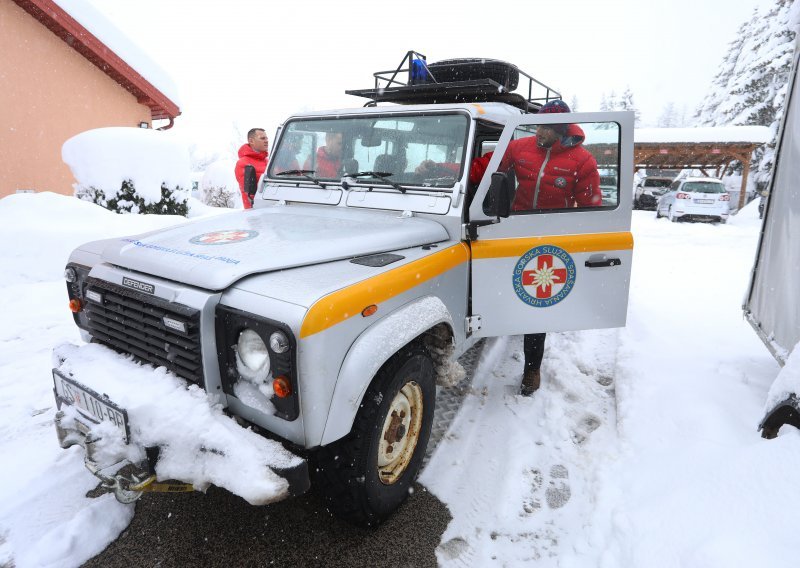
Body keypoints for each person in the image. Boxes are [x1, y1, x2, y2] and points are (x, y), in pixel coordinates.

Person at [472, 99, 602, 395]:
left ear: (560, 130)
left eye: (544, 127)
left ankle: (532, 368)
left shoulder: (582, 160)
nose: (538, 131)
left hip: (550, 238)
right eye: (538, 124)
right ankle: (496, 322)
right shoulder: (521, 147)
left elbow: (591, 206)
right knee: (505, 284)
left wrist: (582, 240)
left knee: (537, 300)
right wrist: (451, 170)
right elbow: (486, 166)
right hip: (514, 228)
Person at [235, 128, 269, 209]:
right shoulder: (243, 163)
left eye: (266, 138)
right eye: (262, 138)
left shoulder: (268, 161)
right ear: (251, 141)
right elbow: (251, 191)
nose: (266, 141)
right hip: (255, 212)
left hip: (271, 208)